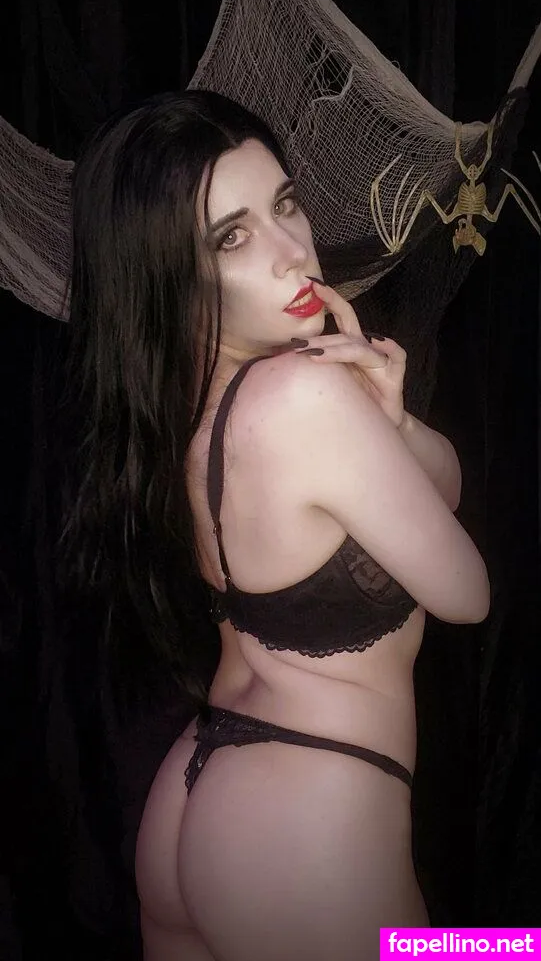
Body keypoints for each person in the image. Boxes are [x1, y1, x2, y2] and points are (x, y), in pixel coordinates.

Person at [65, 90, 490, 961]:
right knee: (504, 951)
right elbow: (467, 593)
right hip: (304, 826)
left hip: (196, 798)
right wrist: (363, 419)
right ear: (167, 272)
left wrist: (392, 421)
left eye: (285, 204)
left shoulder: (183, 412)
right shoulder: (303, 396)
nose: (293, 250)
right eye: (232, 236)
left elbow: (439, 488)